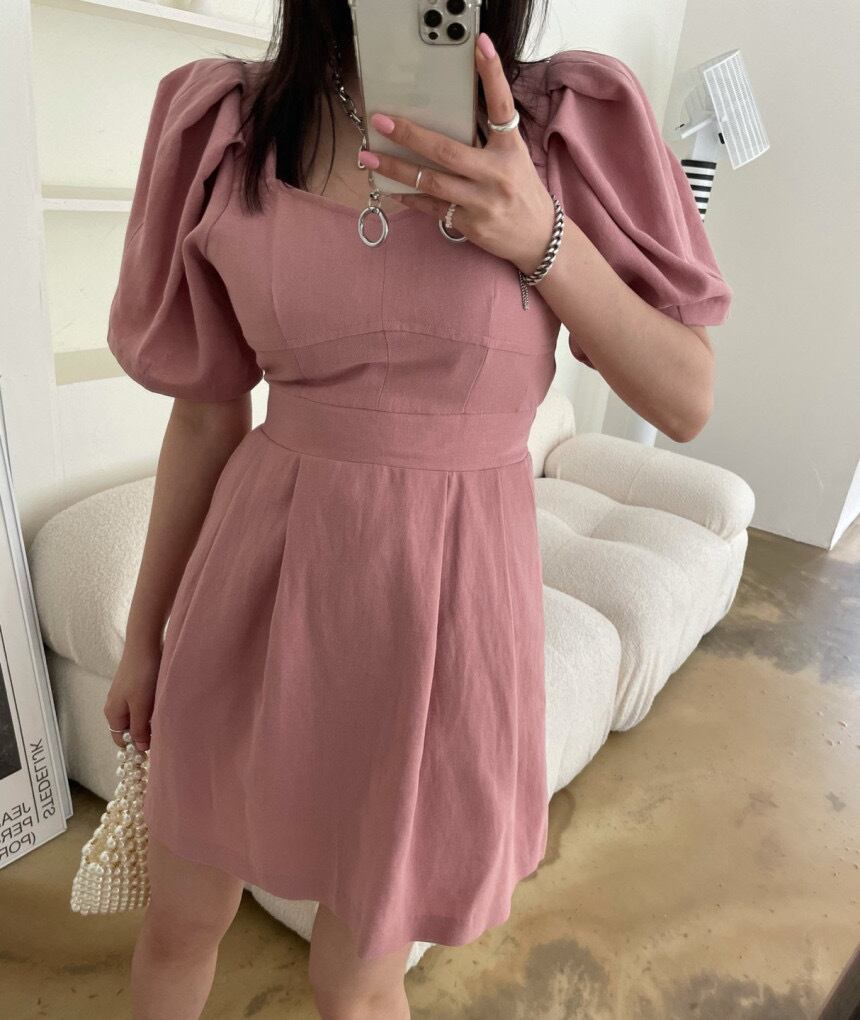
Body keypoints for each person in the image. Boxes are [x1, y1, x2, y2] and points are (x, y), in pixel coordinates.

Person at [102, 1, 733, 1017]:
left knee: (356, 982)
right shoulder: (228, 127)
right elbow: (206, 418)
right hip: (251, 597)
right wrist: (144, 639)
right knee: (179, 926)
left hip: (441, 625)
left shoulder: (564, 124)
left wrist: (541, 236)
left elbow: (686, 398)